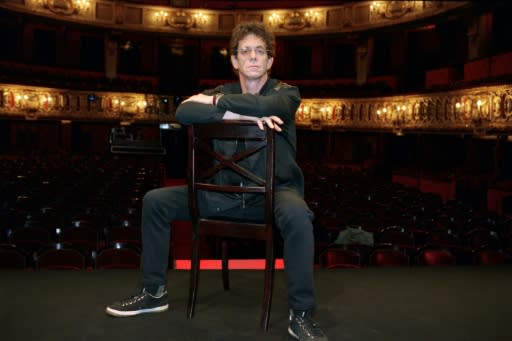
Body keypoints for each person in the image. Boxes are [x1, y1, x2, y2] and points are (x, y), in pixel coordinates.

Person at [105, 21, 329, 341]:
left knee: (299, 215)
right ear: (235, 61)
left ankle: (302, 313)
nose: (252, 57)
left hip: (273, 194)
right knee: (155, 200)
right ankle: (152, 293)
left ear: (270, 61)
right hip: (220, 194)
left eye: (260, 52)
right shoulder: (223, 90)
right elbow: (183, 112)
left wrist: (213, 104)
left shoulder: (286, 93)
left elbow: (268, 106)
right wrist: (235, 115)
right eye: (245, 51)